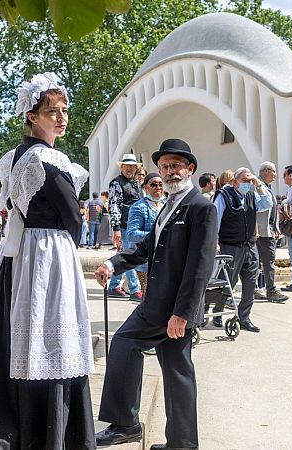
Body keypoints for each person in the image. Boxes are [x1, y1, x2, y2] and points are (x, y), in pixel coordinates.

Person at [0, 73, 95, 447]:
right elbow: (73, 217)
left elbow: (13, 206)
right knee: (49, 329)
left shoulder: (13, 157)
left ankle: (12, 416)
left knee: (19, 329)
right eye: (51, 112)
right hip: (46, 253)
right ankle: (47, 427)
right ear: (31, 115)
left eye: (64, 111)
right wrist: (66, 243)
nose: (61, 119)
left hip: (20, 252)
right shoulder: (47, 157)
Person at [94, 138, 217, 449]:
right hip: (162, 304)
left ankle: (124, 423)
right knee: (178, 374)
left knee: (123, 343)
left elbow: (200, 265)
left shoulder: (200, 207)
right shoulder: (169, 207)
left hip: (170, 309)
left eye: (175, 165)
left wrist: (183, 313)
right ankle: (182, 443)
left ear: (190, 168)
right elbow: (146, 249)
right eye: (164, 167)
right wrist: (113, 263)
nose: (169, 171)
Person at [213, 167, 273, 332]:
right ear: (234, 182)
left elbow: (268, 203)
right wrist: (215, 242)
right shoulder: (223, 196)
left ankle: (243, 317)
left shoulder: (252, 195)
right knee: (228, 281)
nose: (247, 184)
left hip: (250, 246)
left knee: (250, 283)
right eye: (244, 181)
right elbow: (215, 219)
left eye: (249, 180)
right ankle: (217, 311)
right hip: (230, 246)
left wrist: (258, 183)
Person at [108, 153, 143, 298]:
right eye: (127, 165)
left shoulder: (135, 183)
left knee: (123, 255)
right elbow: (114, 205)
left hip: (133, 225)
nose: (130, 168)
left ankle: (113, 286)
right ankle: (135, 290)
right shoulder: (117, 183)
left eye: (132, 166)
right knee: (130, 256)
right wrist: (116, 229)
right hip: (124, 225)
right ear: (122, 167)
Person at [125, 172, 165, 298]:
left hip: (164, 261)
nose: (158, 187)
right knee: (149, 301)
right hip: (146, 263)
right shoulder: (139, 207)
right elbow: (131, 234)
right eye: (153, 185)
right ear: (145, 187)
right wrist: (155, 235)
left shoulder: (166, 205)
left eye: (160, 184)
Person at [255, 161, 289, 302]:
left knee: (264, 262)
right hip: (261, 231)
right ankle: (270, 290)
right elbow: (256, 209)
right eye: (273, 171)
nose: (275, 174)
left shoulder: (266, 187)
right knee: (266, 261)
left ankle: (260, 289)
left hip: (268, 230)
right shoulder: (257, 186)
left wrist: (275, 228)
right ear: (265, 171)